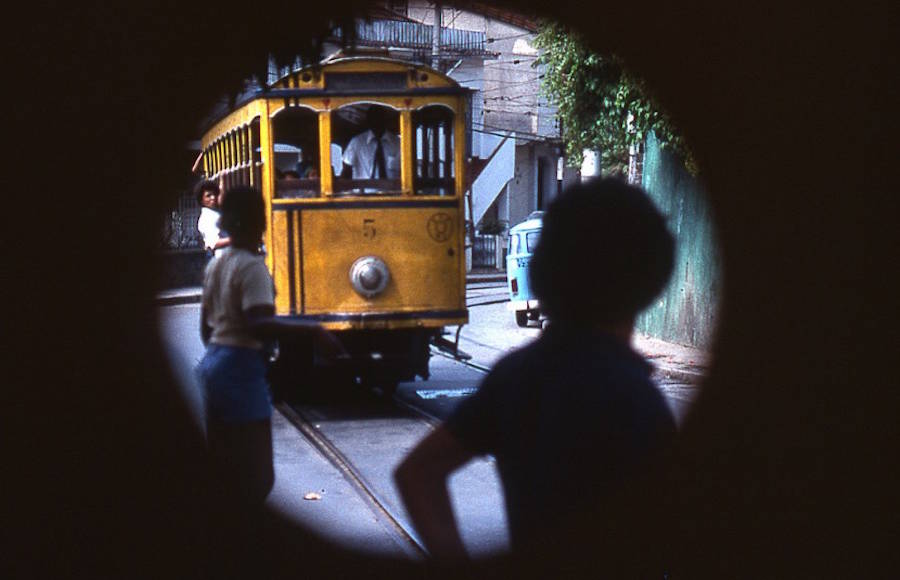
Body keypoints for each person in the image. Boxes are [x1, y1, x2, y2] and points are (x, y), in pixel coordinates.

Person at [394, 178, 678, 563]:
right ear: (651, 281)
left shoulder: (516, 376)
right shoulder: (635, 399)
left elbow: (418, 472)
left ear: (545, 271)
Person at [196, 185, 346, 513]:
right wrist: (315, 330)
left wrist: (224, 353)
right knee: (258, 475)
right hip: (240, 368)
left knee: (223, 464)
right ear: (259, 223)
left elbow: (206, 328)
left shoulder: (215, 266)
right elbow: (258, 322)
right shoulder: (252, 267)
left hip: (214, 365)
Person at [340, 106, 400, 181]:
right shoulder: (357, 142)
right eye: (373, 119)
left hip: (394, 192)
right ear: (368, 121)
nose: (377, 122)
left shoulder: (398, 143)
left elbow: (405, 170)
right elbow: (346, 171)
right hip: (364, 191)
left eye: (379, 118)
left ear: (385, 120)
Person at [195, 179, 230, 258]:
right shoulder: (207, 218)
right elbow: (213, 243)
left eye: (215, 194)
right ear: (201, 200)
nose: (213, 197)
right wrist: (238, 239)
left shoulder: (216, 212)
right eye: (208, 196)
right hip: (222, 259)